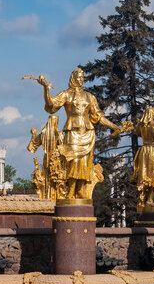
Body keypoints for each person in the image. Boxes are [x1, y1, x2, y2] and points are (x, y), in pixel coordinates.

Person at [36, 68, 126, 199]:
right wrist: (46, 88)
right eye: (78, 76)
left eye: (83, 77)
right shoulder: (66, 94)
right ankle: (70, 191)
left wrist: (114, 127)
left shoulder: (90, 97)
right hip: (72, 133)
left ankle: (80, 191)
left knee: (84, 163)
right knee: (72, 161)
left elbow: (98, 117)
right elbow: (51, 106)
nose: (81, 79)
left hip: (88, 133)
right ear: (73, 78)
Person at [132, 108, 154, 208]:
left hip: (143, 151)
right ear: (152, 115)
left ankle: (141, 201)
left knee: (143, 175)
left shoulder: (141, 126)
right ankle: (149, 200)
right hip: (153, 151)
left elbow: (137, 132)